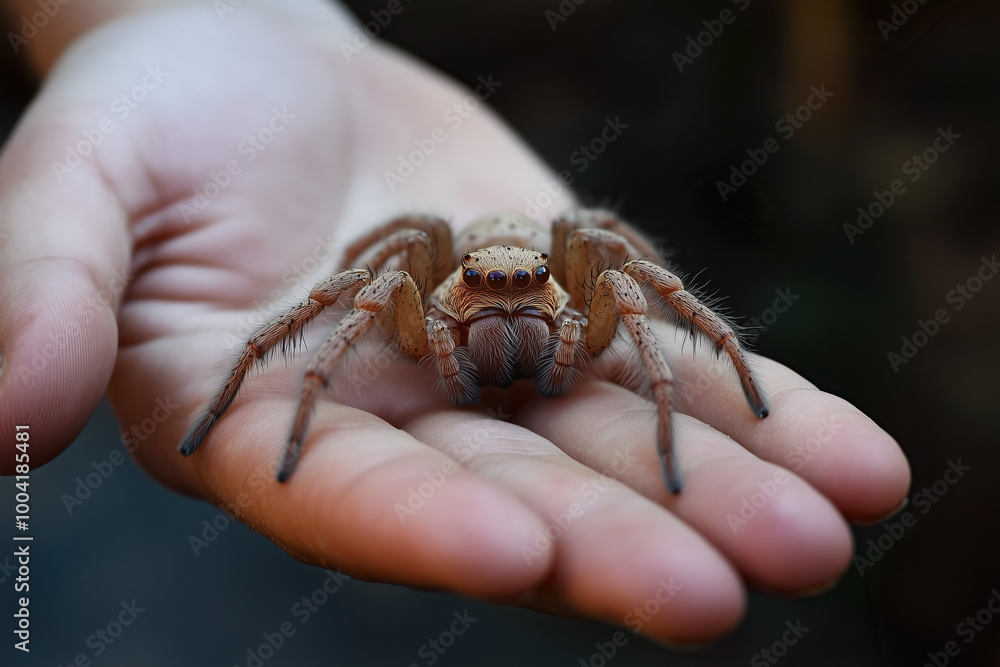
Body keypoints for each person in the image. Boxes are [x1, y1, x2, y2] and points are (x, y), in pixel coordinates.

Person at [0, 0, 909, 643]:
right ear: (462, 277)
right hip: (443, 229)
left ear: (548, 276)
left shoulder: (571, 279)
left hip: (613, 177)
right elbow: (364, 282)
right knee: (356, 294)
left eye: (528, 286)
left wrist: (710, 365)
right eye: (485, 287)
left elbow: (622, 265)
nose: (507, 302)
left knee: (625, 275)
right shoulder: (431, 273)